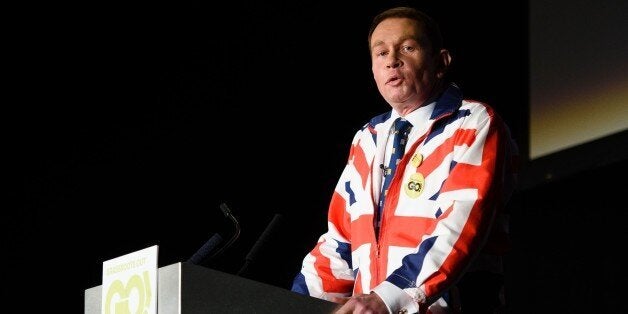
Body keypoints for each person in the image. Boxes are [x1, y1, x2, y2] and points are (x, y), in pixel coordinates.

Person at [290, 6, 518, 314]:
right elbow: (340, 242)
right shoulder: (367, 138)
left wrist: (389, 296)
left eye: (407, 48)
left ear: (441, 62)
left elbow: (461, 224)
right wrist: (293, 301)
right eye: (381, 53)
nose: (392, 60)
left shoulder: (474, 122)